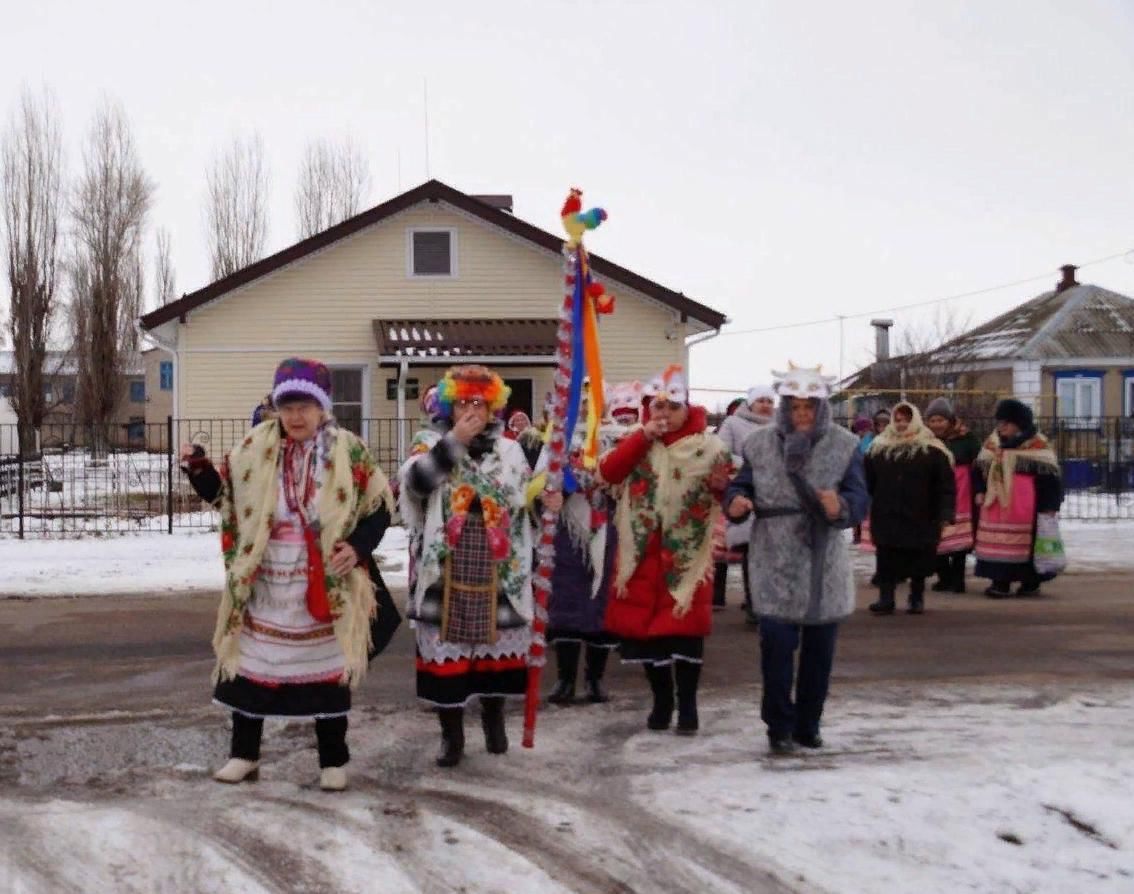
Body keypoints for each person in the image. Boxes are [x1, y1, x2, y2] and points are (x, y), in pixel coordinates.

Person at [179, 357, 394, 791]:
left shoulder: (348, 450)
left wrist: (357, 547)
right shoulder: (253, 448)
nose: (296, 416)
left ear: (322, 408)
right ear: (276, 407)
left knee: (327, 671)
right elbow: (225, 496)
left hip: (325, 579)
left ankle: (333, 760)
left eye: (306, 406)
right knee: (253, 665)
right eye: (288, 406)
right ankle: (244, 755)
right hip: (267, 580)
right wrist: (200, 471)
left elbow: (380, 508)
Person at [725, 364, 868, 755]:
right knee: (775, 646)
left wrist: (840, 505)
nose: (802, 414)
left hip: (823, 559)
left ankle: (809, 724)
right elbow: (740, 486)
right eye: (795, 406)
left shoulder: (844, 445)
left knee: (819, 654)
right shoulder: (758, 444)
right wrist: (736, 504)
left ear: (821, 408)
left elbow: (860, 498)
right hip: (773, 557)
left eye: (809, 406)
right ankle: (778, 726)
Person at [398, 365, 534, 767]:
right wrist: (454, 441)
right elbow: (416, 486)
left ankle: (494, 720)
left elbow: (525, 499)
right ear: (449, 405)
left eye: (479, 402)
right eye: (463, 402)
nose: (472, 409)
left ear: (493, 407)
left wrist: (546, 502)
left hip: (497, 561)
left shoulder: (510, 449)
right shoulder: (429, 441)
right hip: (447, 562)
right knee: (448, 652)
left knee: (495, 647)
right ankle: (451, 735)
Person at [598, 365, 733, 735]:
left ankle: (688, 703)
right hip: (640, 552)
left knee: (685, 632)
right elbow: (608, 473)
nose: (664, 415)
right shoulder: (634, 440)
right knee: (649, 634)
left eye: (672, 408)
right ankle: (662, 700)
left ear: (687, 408)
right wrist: (641, 437)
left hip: (686, 554)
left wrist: (724, 490)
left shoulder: (710, 446)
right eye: (657, 408)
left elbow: (729, 491)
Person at [537, 427, 619, 706]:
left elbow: (621, 478)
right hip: (567, 535)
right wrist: (551, 494)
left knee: (600, 603)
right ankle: (566, 678)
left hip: (603, 533)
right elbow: (538, 484)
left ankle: (595, 678)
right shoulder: (555, 444)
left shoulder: (611, 441)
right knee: (565, 603)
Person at [863, 402, 956, 615]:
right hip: (887, 513)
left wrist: (945, 513)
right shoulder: (878, 447)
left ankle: (916, 597)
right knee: (886, 557)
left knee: (919, 559)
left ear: (914, 419)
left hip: (922, 515)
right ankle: (886, 598)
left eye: (906, 419)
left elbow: (945, 485)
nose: (902, 424)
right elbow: (867, 481)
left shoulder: (933, 449)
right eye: (898, 419)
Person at [973, 399, 1063, 598]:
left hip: (1026, 506)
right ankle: (1000, 582)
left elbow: (1051, 480)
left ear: (1019, 423)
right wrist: (979, 490)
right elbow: (979, 469)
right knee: (998, 543)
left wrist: (1050, 506)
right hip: (996, 504)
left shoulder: (1038, 446)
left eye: (1006, 423)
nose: (1001, 427)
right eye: (999, 423)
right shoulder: (993, 444)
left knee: (1026, 544)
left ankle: (1030, 582)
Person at [713, 385, 776, 620]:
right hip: (745, 491)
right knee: (752, 549)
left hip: (775, 494)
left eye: (769, 401)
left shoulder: (781, 427)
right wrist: (752, 463)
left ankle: (769, 603)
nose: (765, 405)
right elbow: (721, 452)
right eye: (760, 400)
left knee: (772, 552)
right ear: (750, 403)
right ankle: (753, 604)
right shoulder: (733, 423)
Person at [924, 398, 982, 593]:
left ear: (949, 420)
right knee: (936, 537)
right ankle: (944, 576)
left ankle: (957, 580)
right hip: (934, 491)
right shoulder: (926, 439)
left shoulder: (967, 438)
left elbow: (979, 464)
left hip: (962, 492)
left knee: (959, 541)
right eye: (932, 420)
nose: (936, 424)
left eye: (940, 420)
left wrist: (979, 489)